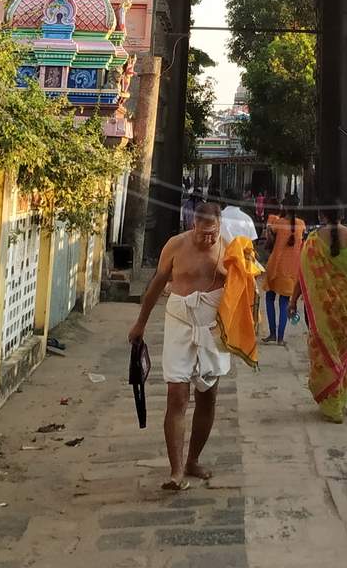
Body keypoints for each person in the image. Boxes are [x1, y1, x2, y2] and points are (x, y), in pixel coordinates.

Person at [128, 201, 229, 490]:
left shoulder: (230, 248)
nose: (208, 238)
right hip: (179, 322)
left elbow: (245, 288)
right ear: (192, 225)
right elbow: (157, 285)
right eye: (203, 233)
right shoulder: (175, 246)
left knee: (208, 395)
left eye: (213, 233)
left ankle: (193, 460)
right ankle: (175, 471)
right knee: (176, 393)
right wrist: (140, 323)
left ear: (219, 227)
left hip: (211, 327)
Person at [291, 207, 347, 422]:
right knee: (341, 352)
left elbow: (302, 273)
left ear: (321, 216)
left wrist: (293, 301)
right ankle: (338, 400)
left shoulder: (312, 240)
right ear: (343, 215)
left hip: (323, 311)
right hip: (345, 308)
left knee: (324, 352)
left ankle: (333, 405)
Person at [261, 202, 306, 343]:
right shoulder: (301, 225)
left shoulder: (278, 223)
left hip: (275, 267)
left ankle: (272, 333)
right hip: (292, 268)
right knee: (284, 302)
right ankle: (280, 338)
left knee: (269, 299)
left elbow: (269, 237)